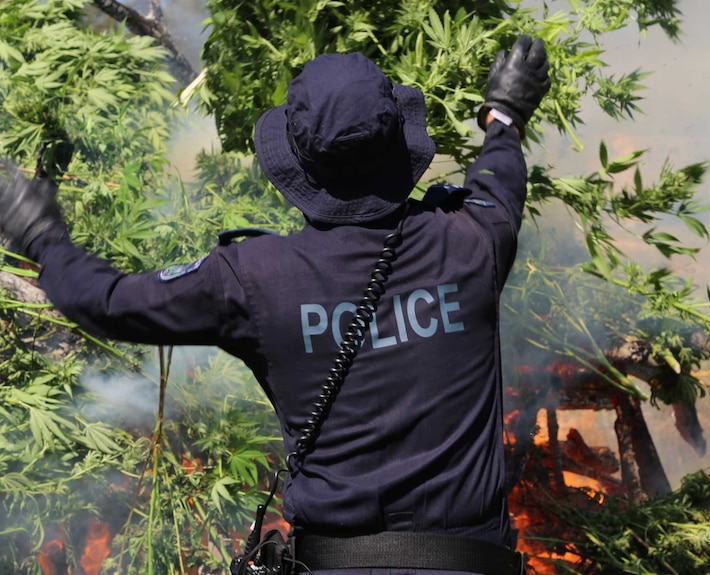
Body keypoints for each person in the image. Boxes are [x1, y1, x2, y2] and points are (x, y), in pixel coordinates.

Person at [0, 35, 550, 574]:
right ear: (399, 145)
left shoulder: (253, 279)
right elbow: (499, 179)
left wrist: (40, 233)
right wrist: (503, 115)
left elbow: (108, 302)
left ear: (300, 169)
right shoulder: (476, 240)